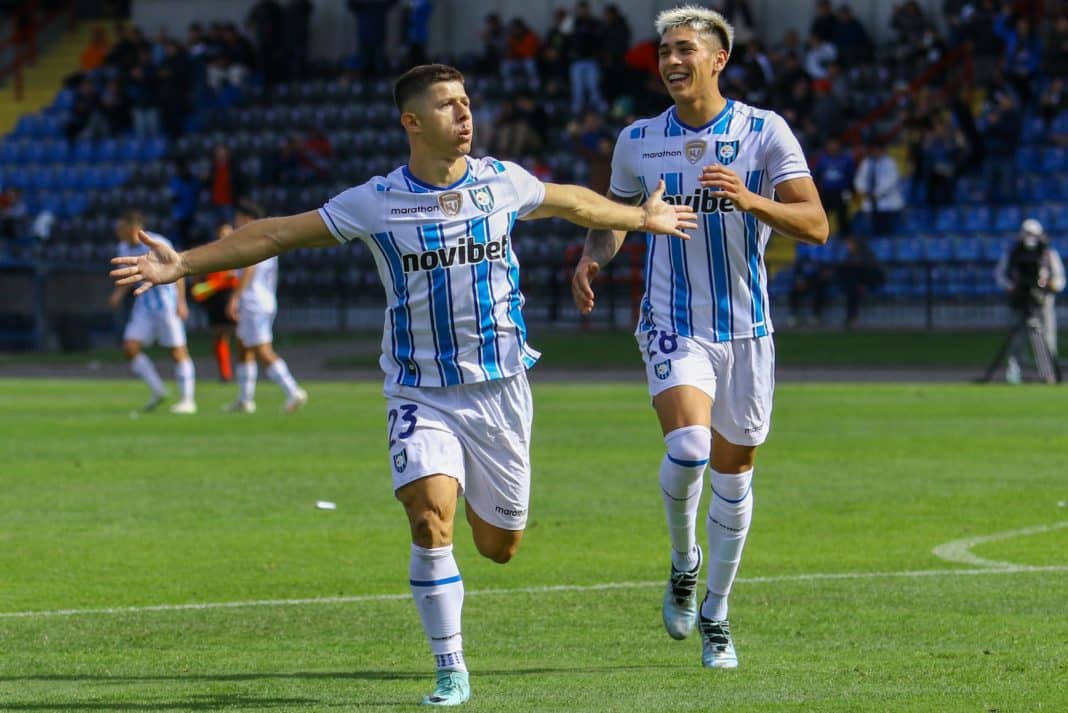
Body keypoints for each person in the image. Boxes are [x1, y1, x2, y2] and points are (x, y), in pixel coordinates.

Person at [111, 63, 696, 706]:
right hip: (420, 392)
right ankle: (451, 669)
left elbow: (571, 201)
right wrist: (185, 262)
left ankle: (478, 520)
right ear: (412, 122)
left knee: (500, 547)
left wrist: (641, 219)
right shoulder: (375, 201)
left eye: (467, 102)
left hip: (499, 391)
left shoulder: (501, 182)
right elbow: (278, 232)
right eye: (448, 105)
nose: (465, 114)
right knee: (427, 519)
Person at [571, 7, 828, 670]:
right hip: (671, 320)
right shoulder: (638, 139)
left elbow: (816, 223)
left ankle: (716, 608)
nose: (671, 61)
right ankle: (684, 560)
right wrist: (593, 255)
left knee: (734, 476)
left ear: (719, 59)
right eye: (664, 51)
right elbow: (617, 216)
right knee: (688, 449)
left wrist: (751, 199)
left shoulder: (764, 131)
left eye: (685, 49)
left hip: (746, 330)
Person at [109, 210, 197, 414]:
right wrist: (118, 294)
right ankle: (158, 390)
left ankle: (188, 400)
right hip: (143, 307)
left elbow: (179, 269)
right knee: (129, 347)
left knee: (177, 351)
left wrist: (181, 302)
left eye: (120, 227)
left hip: (166, 304)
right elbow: (131, 273)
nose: (117, 232)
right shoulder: (123, 247)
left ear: (132, 228)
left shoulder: (157, 243)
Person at [224, 200, 308, 413]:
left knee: (262, 350)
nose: (235, 222)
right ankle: (245, 399)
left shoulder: (254, 239)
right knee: (244, 346)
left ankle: (293, 390)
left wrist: (235, 297)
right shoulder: (265, 237)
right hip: (261, 300)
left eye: (238, 218)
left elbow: (250, 268)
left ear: (247, 219)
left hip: (254, 302)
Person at [995, 219, 1065, 384]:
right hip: (1020, 301)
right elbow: (1000, 275)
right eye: (1027, 234)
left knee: (1045, 339)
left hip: (1042, 302)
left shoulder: (1048, 255)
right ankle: (1014, 373)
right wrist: (1012, 287)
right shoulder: (1013, 254)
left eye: (1033, 234)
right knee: (1017, 339)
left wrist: (1047, 286)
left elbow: (1060, 280)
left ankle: (1047, 373)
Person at [191, 222, 240, 382]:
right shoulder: (211, 251)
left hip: (231, 294)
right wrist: (200, 285)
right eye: (221, 232)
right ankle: (225, 373)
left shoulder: (240, 250)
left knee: (241, 335)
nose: (223, 236)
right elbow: (199, 271)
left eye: (226, 232)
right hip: (215, 296)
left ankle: (244, 370)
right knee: (220, 334)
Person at [853, 139, 903, 236]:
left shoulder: (890, 162)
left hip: (888, 205)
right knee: (872, 233)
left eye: (878, 149)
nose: (876, 152)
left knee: (887, 233)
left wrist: (876, 192)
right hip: (870, 204)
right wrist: (863, 190)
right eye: (874, 150)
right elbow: (859, 179)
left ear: (883, 150)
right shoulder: (866, 163)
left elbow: (891, 181)